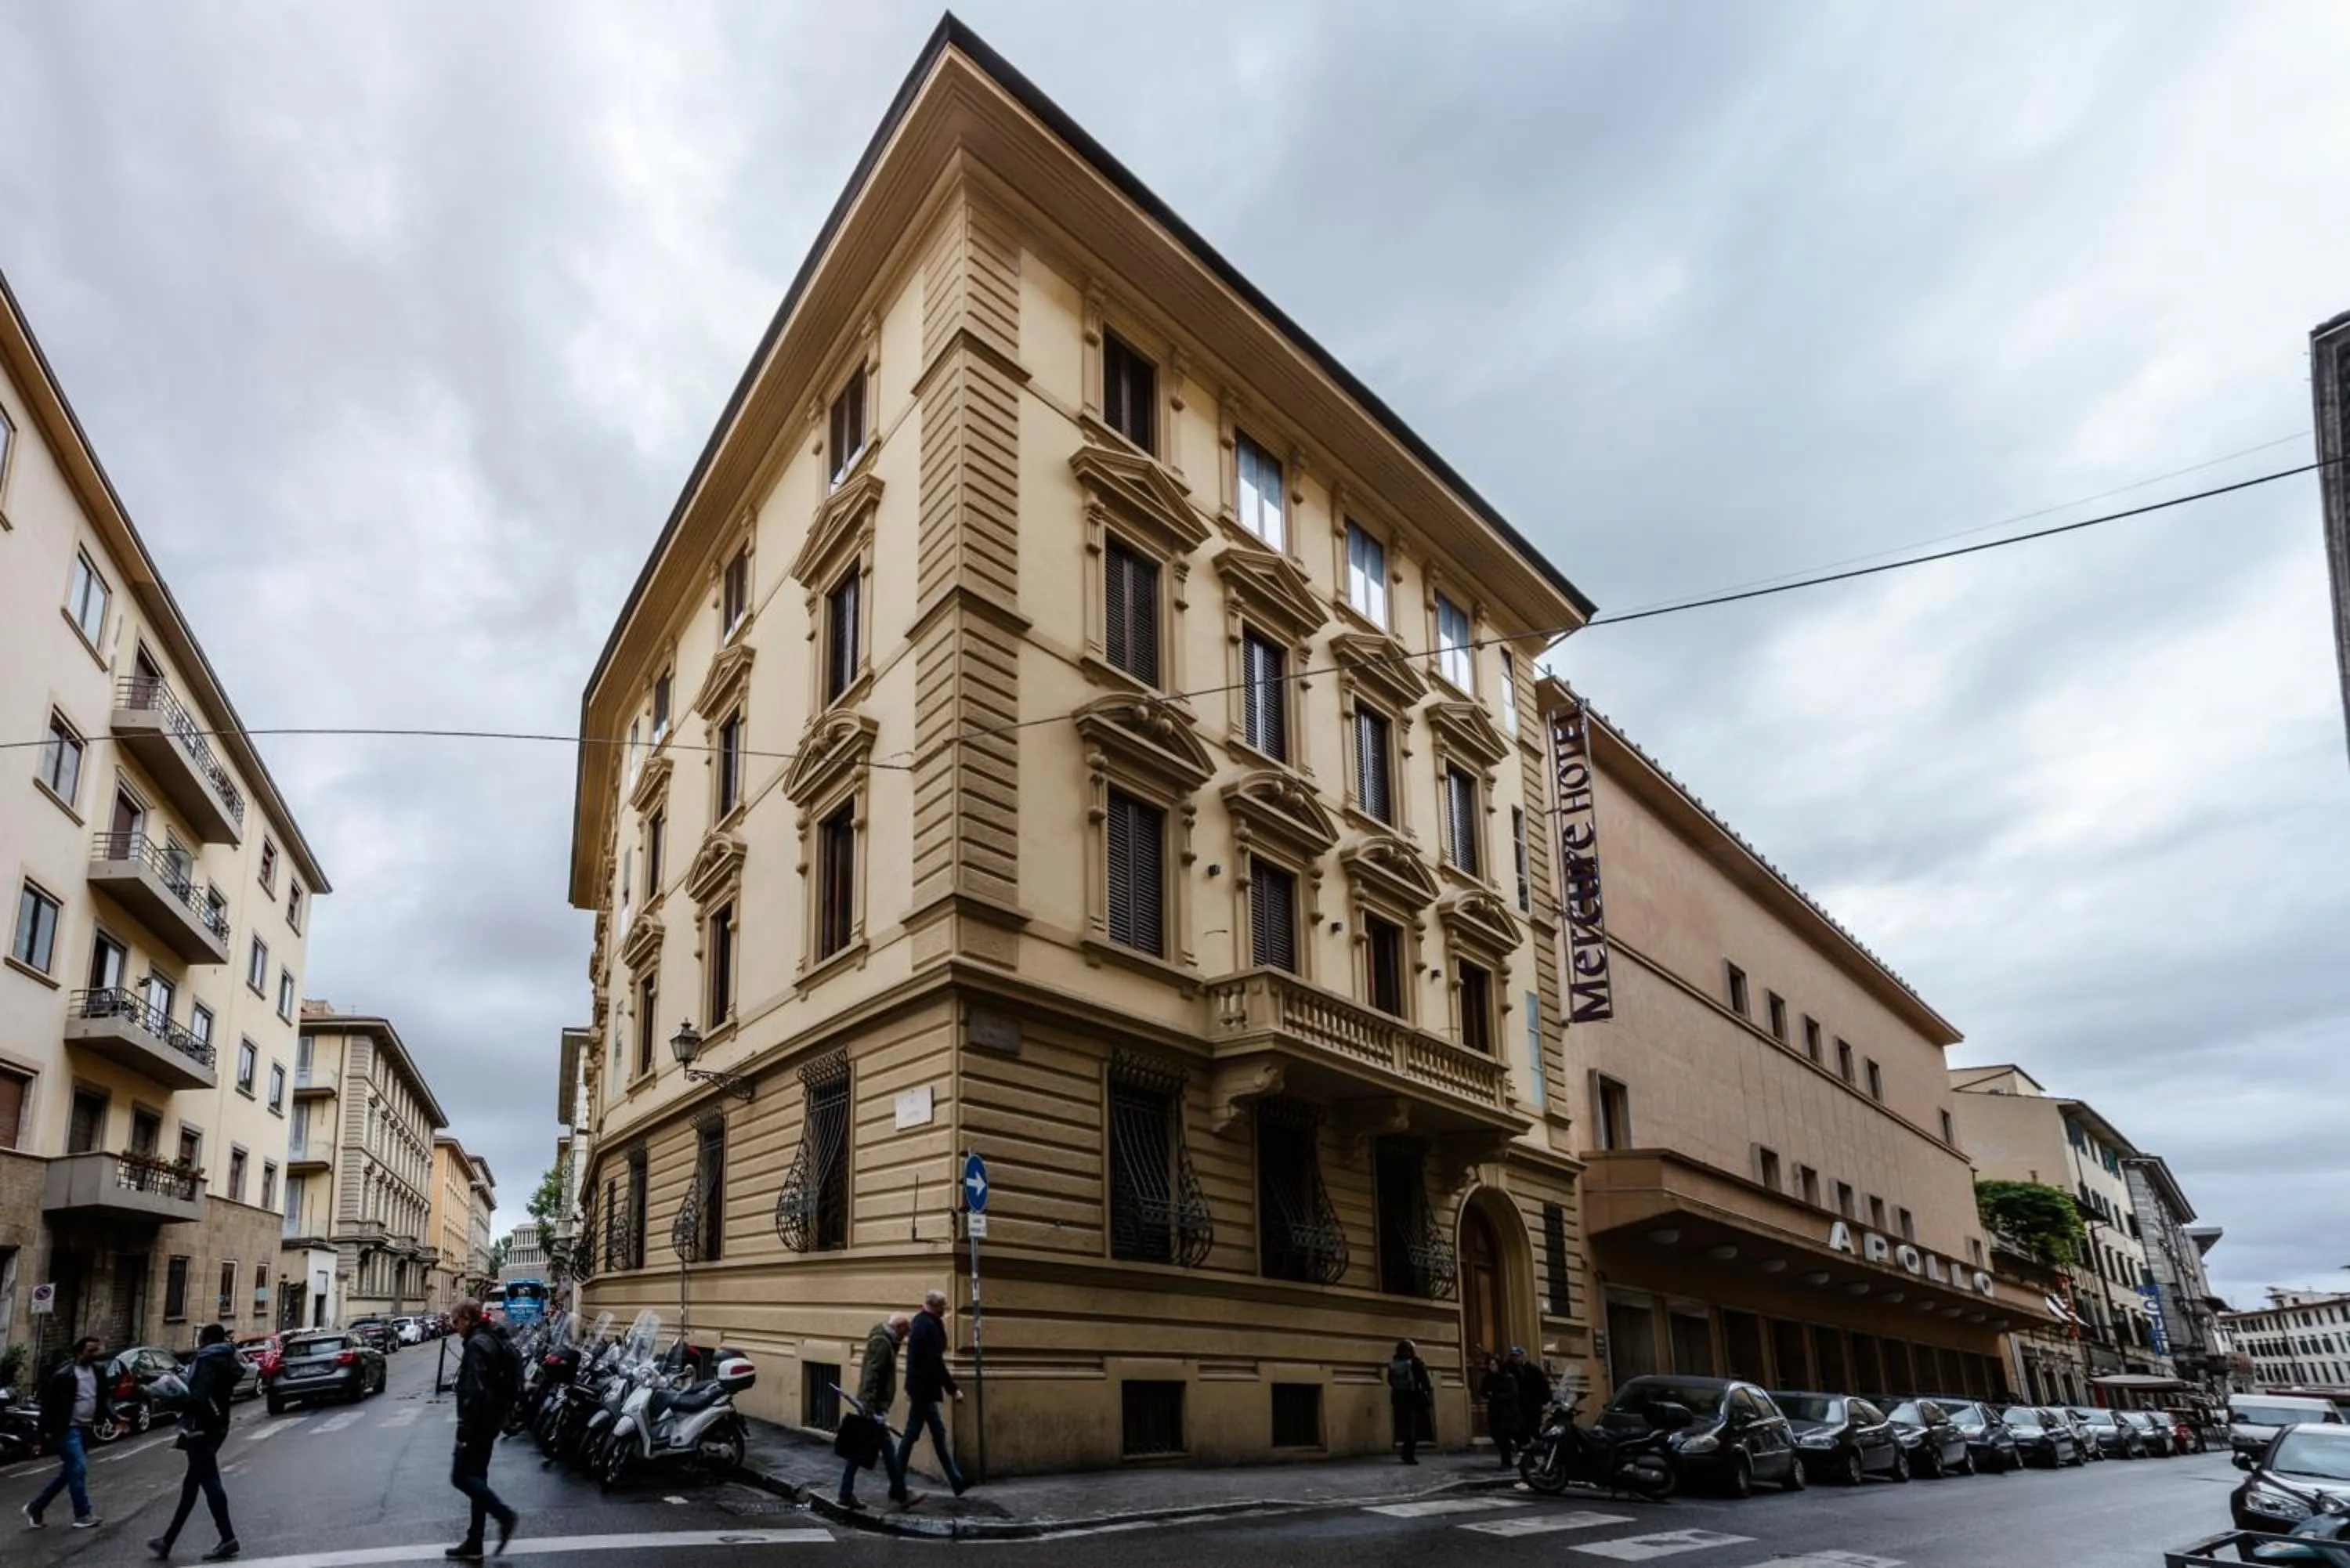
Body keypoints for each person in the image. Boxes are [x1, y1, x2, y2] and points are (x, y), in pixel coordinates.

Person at [148, 1322, 240, 1561]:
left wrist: (171, 1397)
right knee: (191, 1485)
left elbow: (197, 1397)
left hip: (201, 1427)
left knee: (209, 1480)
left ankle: (228, 1538)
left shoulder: (206, 1359)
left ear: (205, 1340)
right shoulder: (227, 1357)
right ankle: (167, 1541)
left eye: (200, 1338)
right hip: (220, 1423)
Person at [446, 1300, 519, 1560]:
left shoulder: (477, 1345)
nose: (454, 1328)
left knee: (460, 1477)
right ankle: (475, 1541)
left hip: (478, 1425)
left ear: (467, 1318)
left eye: (456, 1322)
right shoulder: (489, 1337)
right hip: (491, 1421)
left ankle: (504, 1515)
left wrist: (464, 1432)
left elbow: (474, 1392)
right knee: (478, 1478)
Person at [24, 1336, 109, 1531]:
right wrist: (39, 1438)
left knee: (70, 1472)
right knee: (78, 1468)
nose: (96, 1354)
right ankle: (82, 1514)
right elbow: (48, 1408)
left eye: (97, 1350)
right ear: (80, 1352)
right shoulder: (63, 1375)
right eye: (91, 1351)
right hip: (66, 1429)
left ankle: (35, 1507)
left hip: (86, 1428)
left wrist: (115, 1418)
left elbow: (103, 1399)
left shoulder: (98, 1371)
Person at [890, 1290, 968, 1501]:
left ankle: (956, 1481)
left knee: (934, 1433)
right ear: (936, 1306)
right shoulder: (928, 1326)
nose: (945, 1311)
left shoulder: (920, 1322)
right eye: (943, 1307)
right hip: (924, 1389)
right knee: (911, 1435)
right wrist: (953, 1389)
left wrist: (909, 1386)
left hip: (920, 1388)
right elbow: (935, 1362)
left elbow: (913, 1359)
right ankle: (897, 1485)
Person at [839, 1313, 909, 1512]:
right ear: (899, 1327)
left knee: (870, 1450)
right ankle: (900, 1493)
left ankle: (897, 1491)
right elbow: (872, 1375)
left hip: (872, 1406)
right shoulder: (882, 1343)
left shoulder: (885, 1340)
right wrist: (868, 1408)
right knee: (869, 1449)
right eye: (906, 1330)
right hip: (872, 1407)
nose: (907, 1335)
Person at [1386, 1339, 1432, 1465]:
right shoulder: (1416, 1362)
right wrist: (1427, 1393)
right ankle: (1409, 1456)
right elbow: (1425, 1380)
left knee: (1405, 1427)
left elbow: (1390, 1381)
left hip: (1399, 1399)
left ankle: (1405, 1454)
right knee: (1413, 1427)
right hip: (1413, 1398)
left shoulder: (1394, 1363)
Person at [1478, 1352, 1519, 1467]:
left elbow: (1513, 1394)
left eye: (1493, 1365)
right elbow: (1482, 1391)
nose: (1492, 1367)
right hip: (1494, 1411)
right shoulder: (1488, 1378)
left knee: (1504, 1436)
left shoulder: (1508, 1378)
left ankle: (1507, 1461)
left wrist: (1497, 1396)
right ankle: (1507, 1453)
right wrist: (1488, 1395)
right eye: (1490, 1365)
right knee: (1496, 1435)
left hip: (1507, 1412)